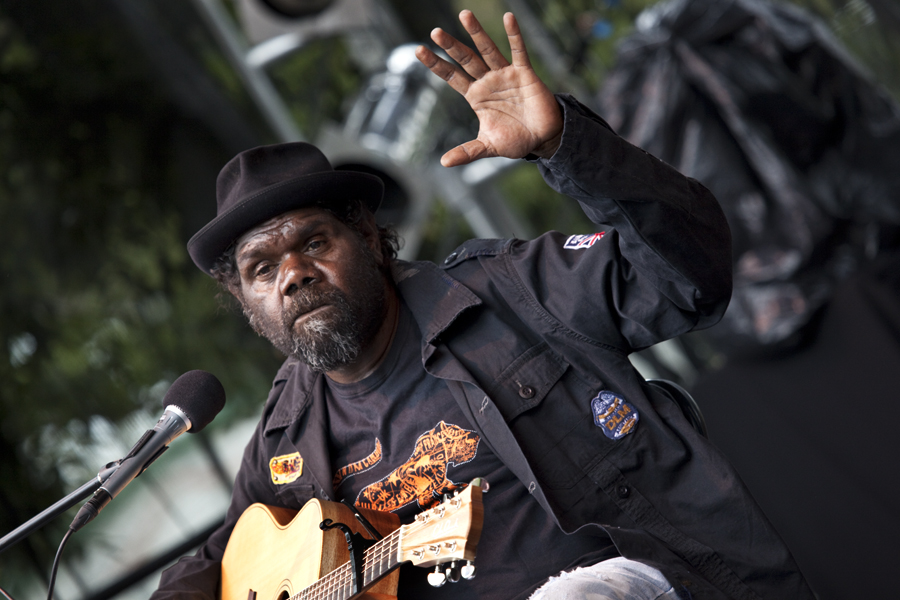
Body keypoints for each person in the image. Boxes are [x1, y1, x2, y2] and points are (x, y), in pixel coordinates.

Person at [153, 9, 813, 600]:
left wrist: (568, 148)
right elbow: (215, 564)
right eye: (261, 270)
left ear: (366, 236)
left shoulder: (511, 291)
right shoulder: (284, 436)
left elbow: (691, 278)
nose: (292, 275)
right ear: (246, 302)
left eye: (313, 242)